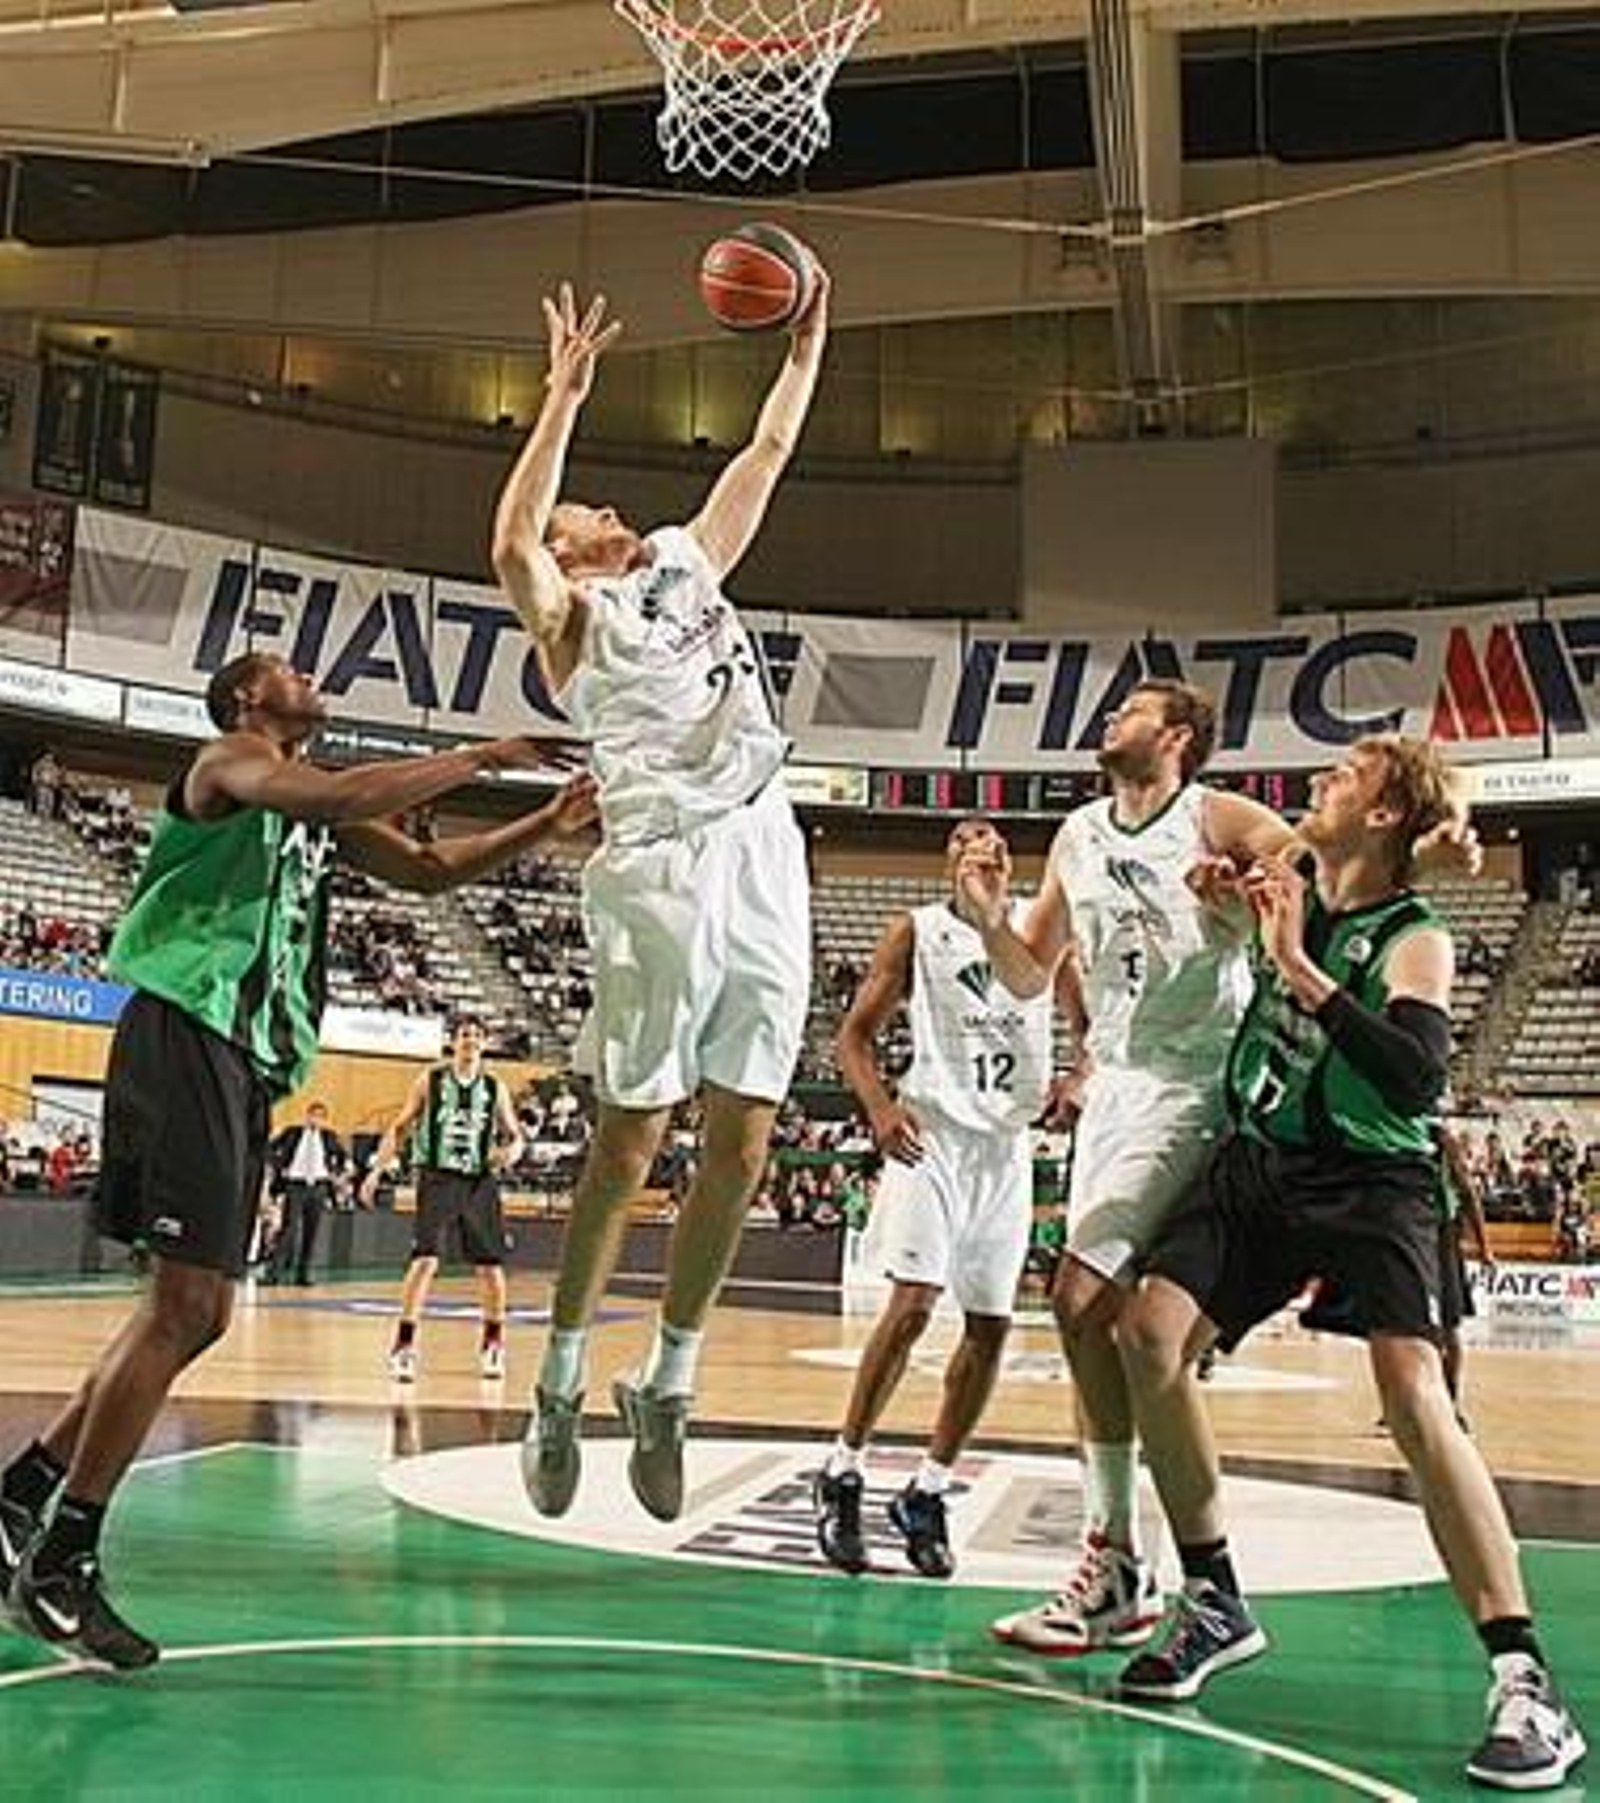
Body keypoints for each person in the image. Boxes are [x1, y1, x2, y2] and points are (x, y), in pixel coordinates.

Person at [0, 649, 594, 1671]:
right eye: (289, 669)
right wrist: (482, 755)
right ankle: (62, 1560)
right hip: (186, 1031)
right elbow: (342, 795)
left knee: (195, 1313)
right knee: (185, 1308)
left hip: (239, 1060)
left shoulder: (306, 807)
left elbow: (427, 870)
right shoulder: (230, 761)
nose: (310, 677)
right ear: (248, 698)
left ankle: (24, 1494)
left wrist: (545, 822)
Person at [1113, 737, 1586, 1792]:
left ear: (1377, 816)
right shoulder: (1294, 870)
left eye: (1346, 776)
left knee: (1414, 1399)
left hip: (1373, 1181)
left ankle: (1523, 1675)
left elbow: (1416, 1078)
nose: (1320, 781)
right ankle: (1214, 1598)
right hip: (1261, 1166)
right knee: (1146, 1334)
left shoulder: (1415, 936)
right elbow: (1235, 837)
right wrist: (1219, 891)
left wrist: (1296, 967)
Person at [493, 269, 829, 1523]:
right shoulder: (570, 620)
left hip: (763, 843)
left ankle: (668, 1381)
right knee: (631, 1140)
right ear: (571, 552)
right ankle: (559, 1379)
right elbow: (510, 544)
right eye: (582, 510)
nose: (601, 508)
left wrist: (806, 342)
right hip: (660, 867)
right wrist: (562, 399)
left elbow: (769, 450)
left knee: (743, 1143)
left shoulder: (688, 561)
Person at [955, 681, 1298, 1654]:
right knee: (1096, 1323)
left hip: (1195, 1084)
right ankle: (1122, 1564)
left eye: (1134, 711)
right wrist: (988, 916)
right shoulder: (1077, 833)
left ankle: (1118, 1561)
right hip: (1114, 1088)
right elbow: (1028, 971)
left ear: (1178, 736)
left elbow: (1307, 867)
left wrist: (1251, 890)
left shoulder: (1215, 815)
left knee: (1079, 1297)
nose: (1112, 720)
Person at [813, 819, 1057, 1580]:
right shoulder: (915, 931)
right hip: (935, 1136)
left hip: (1007, 1146)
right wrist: (880, 1108)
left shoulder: (1040, 926)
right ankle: (844, 1468)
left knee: (991, 1325)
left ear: (1007, 860)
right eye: (961, 836)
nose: (978, 842)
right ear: (947, 862)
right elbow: (853, 1037)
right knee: (914, 1303)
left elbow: (1089, 1020)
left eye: (990, 836)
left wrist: (1081, 1075)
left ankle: (928, 1489)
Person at [362, 1014, 526, 1382]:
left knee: (491, 1267)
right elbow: (400, 1126)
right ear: (453, 1042)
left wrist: (512, 1151)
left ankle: (493, 1344)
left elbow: (514, 1135)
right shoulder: (430, 1080)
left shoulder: (494, 1087)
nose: (471, 1041)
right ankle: (404, 1346)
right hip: (437, 1178)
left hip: (479, 1181)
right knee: (425, 1261)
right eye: (464, 1034)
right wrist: (377, 1170)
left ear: (485, 1044)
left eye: (477, 1035)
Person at [265, 1100, 347, 1285]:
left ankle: (303, 1275)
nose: (316, 1120)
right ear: (307, 1116)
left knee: (312, 1232)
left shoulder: (329, 1137)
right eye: (313, 1115)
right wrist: (279, 1166)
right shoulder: (292, 1132)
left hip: (319, 1187)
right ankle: (273, 1274)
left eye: (320, 1117)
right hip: (295, 1185)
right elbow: (270, 1149)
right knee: (289, 1230)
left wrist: (335, 1172)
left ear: (324, 1120)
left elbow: (342, 1157)